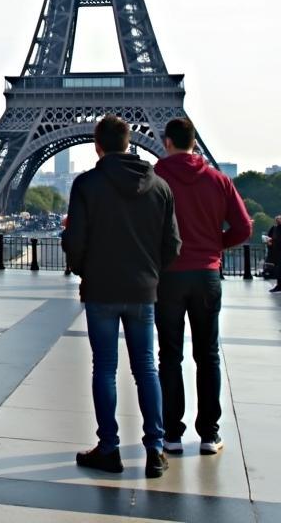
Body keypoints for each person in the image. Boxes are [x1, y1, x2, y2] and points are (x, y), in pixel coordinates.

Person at [62, 115, 181, 479]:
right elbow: (172, 244)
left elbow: (75, 242)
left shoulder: (86, 184)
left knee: (105, 369)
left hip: (101, 289)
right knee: (146, 368)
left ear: (97, 145)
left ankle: (109, 448)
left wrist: (87, 270)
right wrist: (150, 274)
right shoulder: (160, 187)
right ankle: (156, 450)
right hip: (143, 291)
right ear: (129, 142)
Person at [153, 118, 252, 455]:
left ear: (166, 143)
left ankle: (171, 434)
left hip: (168, 276)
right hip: (207, 275)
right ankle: (209, 434)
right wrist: (214, 246)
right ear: (194, 143)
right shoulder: (218, 180)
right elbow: (243, 227)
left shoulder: (156, 178)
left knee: (169, 356)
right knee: (207, 355)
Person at [268, 215, 281, 291]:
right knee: (278, 270)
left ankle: (279, 286)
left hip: (277, 251)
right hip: (276, 252)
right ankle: (279, 285)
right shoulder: (274, 228)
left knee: (279, 270)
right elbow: (269, 237)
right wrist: (269, 242)